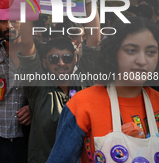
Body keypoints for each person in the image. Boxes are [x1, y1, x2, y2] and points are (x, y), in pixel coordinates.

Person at [47, 17, 159, 163]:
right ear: (113, 53)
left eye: (151, 52)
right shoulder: (81, 104)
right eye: (131, 50)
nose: (142, 60)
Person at [17, 0, 100, 163]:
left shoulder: (84, 82)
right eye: (54, 59)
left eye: (67, 58)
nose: (61, 63)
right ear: (44, 63)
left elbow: (94, 41)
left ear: (76, 60)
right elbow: (27, 43)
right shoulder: (38, 87)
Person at [0, 18, 31, 163]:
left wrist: (33, 107)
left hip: (25, 138)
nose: (9, 25)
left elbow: (48, 89)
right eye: (3, 21)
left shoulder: (37, 52)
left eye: (15, 20)